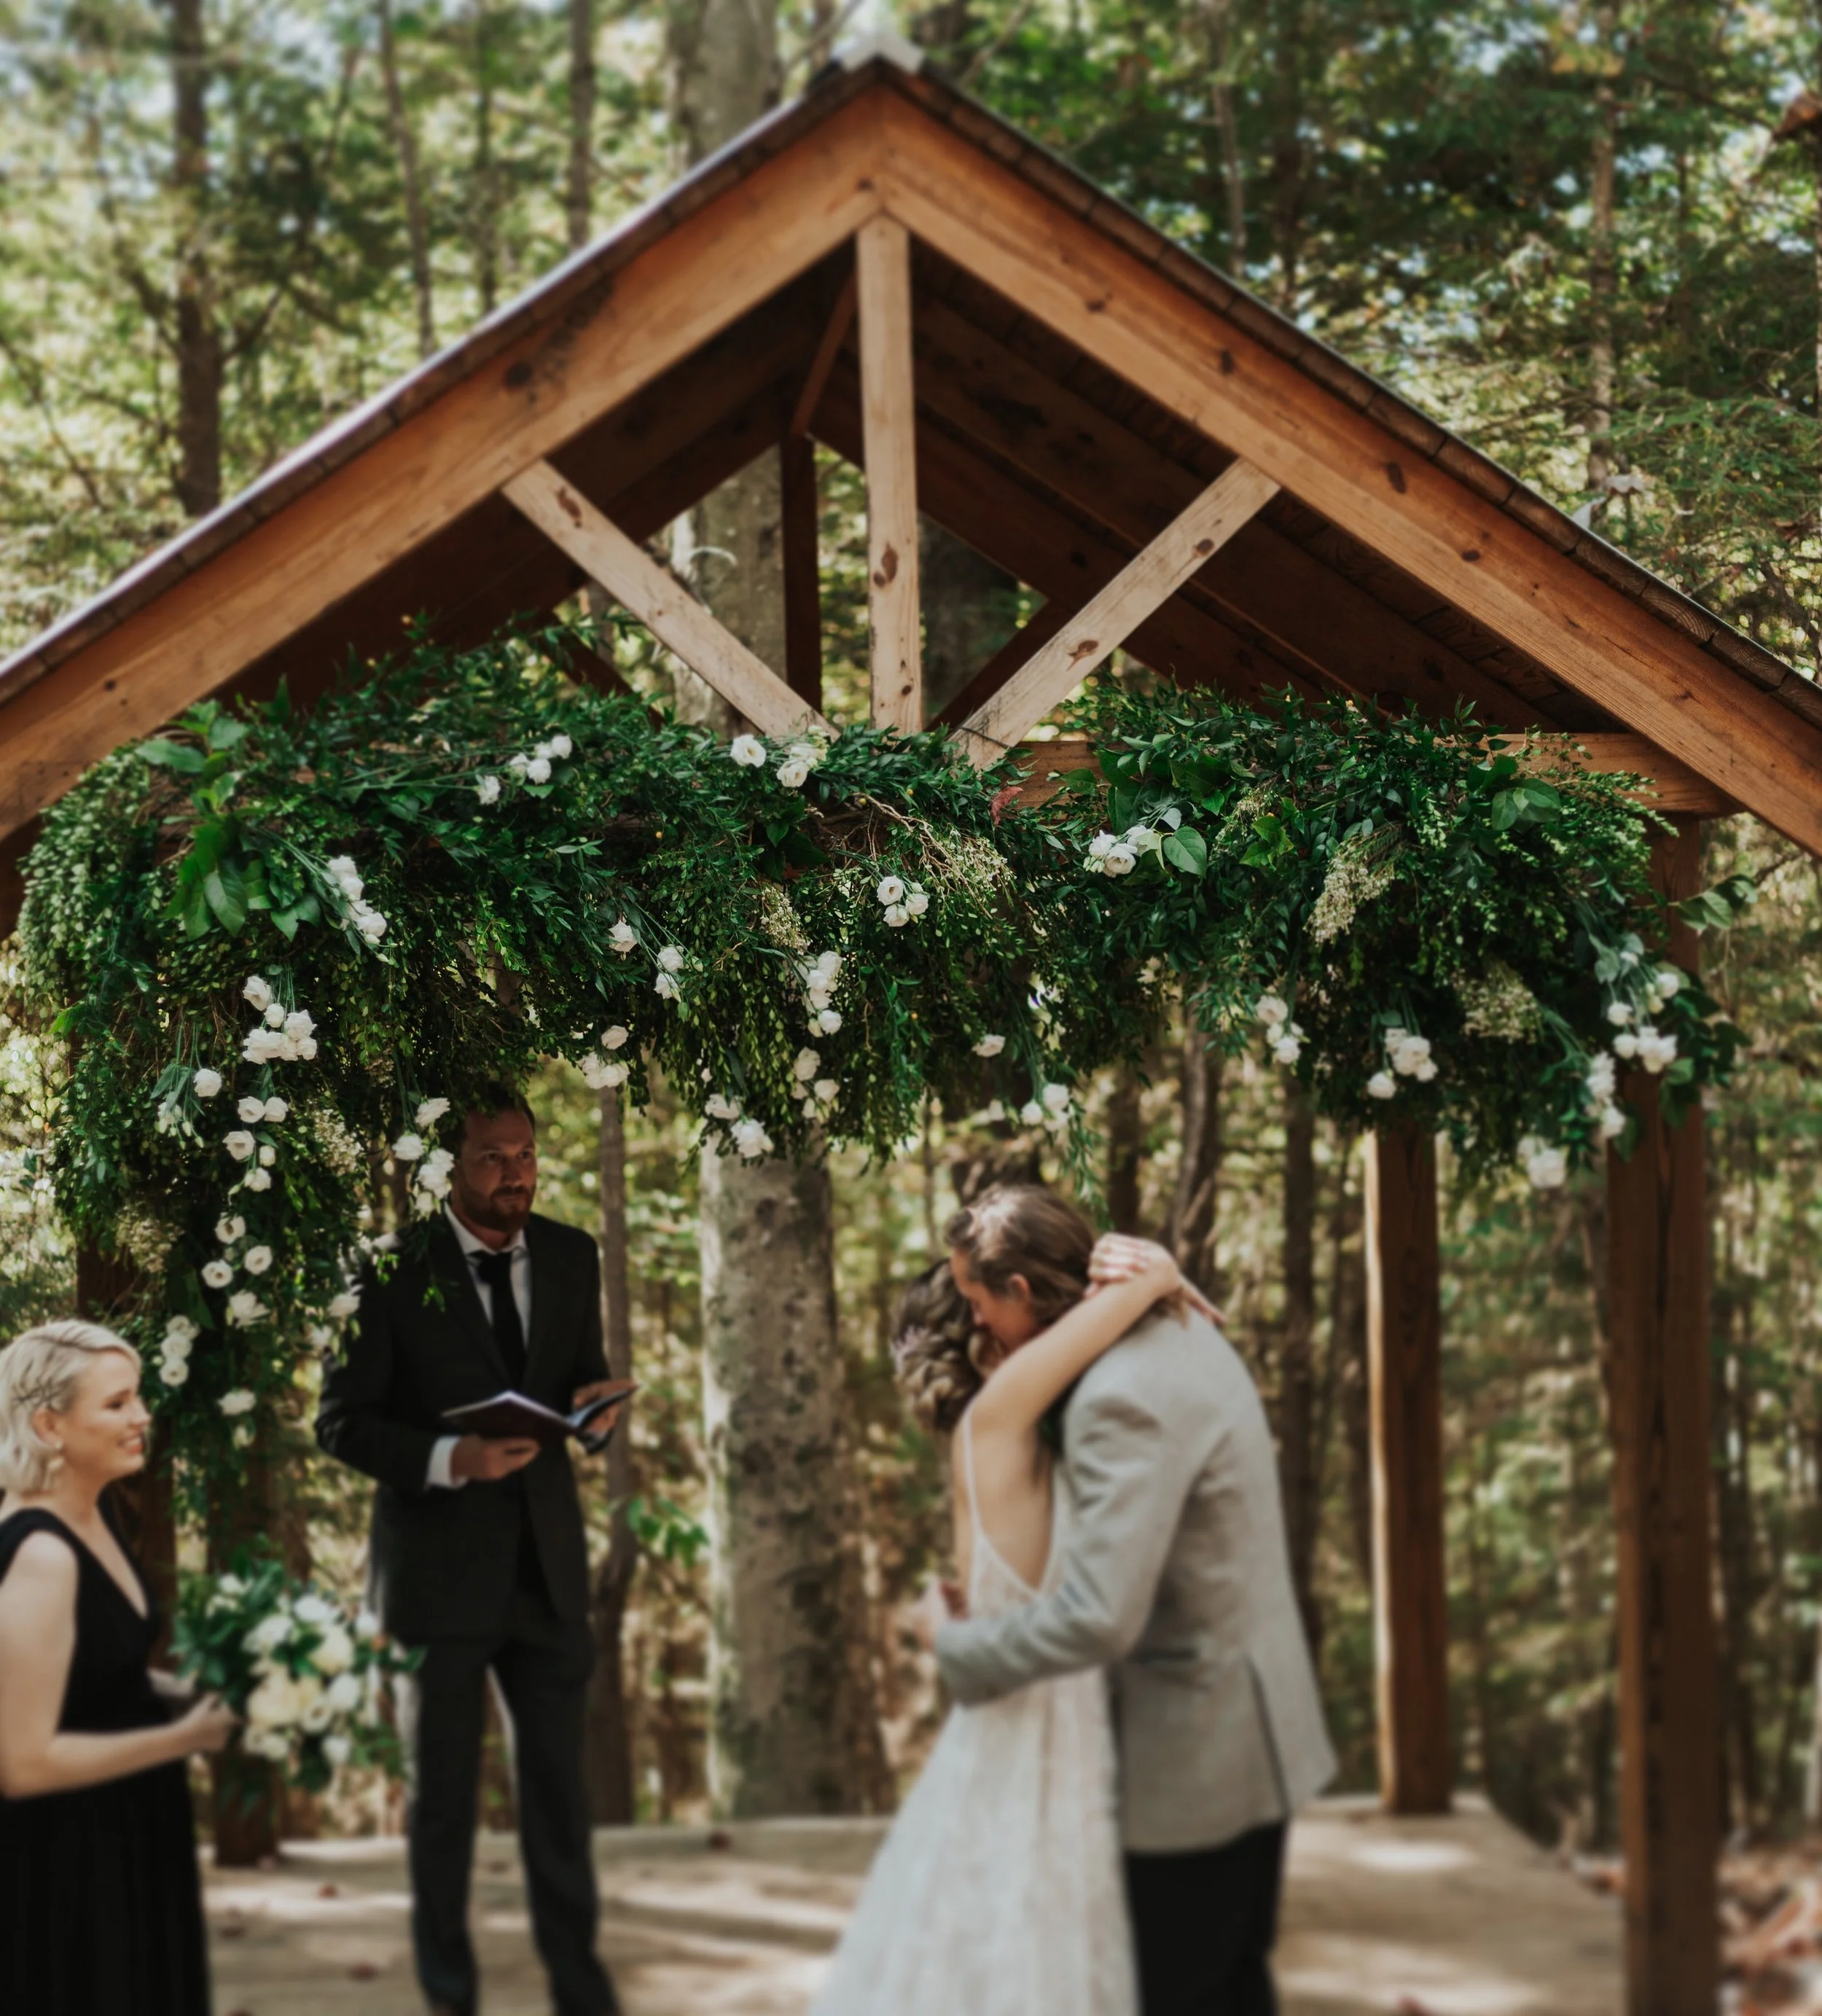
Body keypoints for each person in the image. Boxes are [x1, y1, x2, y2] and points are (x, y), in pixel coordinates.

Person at [930, 1184, 1337, 2016]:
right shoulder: (1175, 1322)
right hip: (1256, 1727)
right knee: (1236, 1984)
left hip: (1193, 1759)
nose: (974, 1326)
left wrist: (955, 1650)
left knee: (1174, 1992)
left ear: (1018, 1292)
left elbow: (1098, 1615)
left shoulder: (1118, 1397)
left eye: (977, 1303)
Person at [810, 1220, 1208, 2016]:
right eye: (988, 1313)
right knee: (1029, 1939)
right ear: (983, 1341)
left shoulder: (1008, 1441)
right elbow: (1126, 1302)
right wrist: (1161, 1271)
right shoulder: (997, 1421)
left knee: (996, 1937)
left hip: (1025, 1729)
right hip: (1038, 1734)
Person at [317, 1086, 624, 2016]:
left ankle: (582, 1991)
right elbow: (341, 1423)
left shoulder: (574, 1255)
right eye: (492, 1158)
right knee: (443, 1807)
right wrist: (453, 1457)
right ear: (445, 1167)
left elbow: (581, 1390)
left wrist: (597, 1422)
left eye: (525, 1154)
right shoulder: (387, 1268)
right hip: (436, 1582)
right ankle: (450, 1995)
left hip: (548, 1575)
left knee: (560, 1805)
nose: (515, 1174)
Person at [0, 1318, 237, 2016]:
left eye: (136, 1397)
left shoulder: (93, 1513)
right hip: (67, 1865)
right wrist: (186, 1739)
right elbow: (23, 1762)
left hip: (129, 1831)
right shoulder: (39, 1558)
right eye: (116, 1404)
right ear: (49, 1426)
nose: (141, 1417)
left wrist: (196, 1692)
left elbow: (98, 1673)